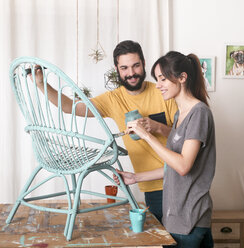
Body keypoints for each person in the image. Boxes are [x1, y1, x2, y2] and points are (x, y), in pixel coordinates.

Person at [31, 40, 178, 222]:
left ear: (144, 64)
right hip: (150, 186)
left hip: (178, 182)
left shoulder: (163, 91)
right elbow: (69, 107)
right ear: (117, 69)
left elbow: (185, 140)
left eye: (135, 66)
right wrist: (40, 84)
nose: (131, 73)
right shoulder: (112, 99)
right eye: (124, 68)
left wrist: (157, 126)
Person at [114, 51, 216, 247]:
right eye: (157, 79)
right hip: (177, 217)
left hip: (191, 218)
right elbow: (172, 167)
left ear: (182, 78)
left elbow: (183, 166)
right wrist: (135, 178)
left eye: (163, 79)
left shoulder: (199, 113)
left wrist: (146, 135)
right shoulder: (180, 116)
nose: (158, 85)